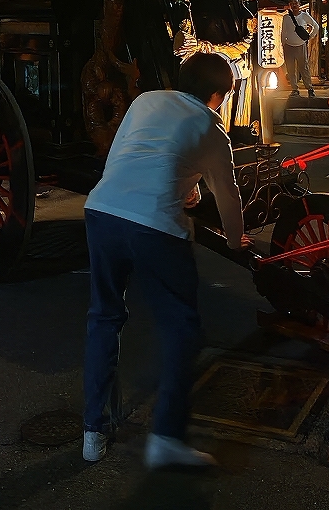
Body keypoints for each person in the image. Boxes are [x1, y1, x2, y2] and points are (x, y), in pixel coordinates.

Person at [82, 53, 250, 469]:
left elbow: (128, 157)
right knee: (181, 330)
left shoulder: (147, 100)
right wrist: (235, 240)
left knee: (104, 318)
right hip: (154, 226)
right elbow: (227, 194)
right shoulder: (211, 126)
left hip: (102, 212)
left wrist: (184, 187)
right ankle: (167, 437)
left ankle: (92, 431)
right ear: (218, 95)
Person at [281, 0, 319, 98]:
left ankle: (310, 88)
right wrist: (283, 43)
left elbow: (316, 26)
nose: (294, 5)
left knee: (304, 68)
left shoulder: (304, 16)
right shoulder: (286, 17)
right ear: (290, 5)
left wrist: (310, 36)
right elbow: (283, 31)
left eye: (296, 3)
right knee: (290, 69)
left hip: (300, 45)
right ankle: (294, 89)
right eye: (292, 3)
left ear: (299, 4)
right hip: (288, 45)